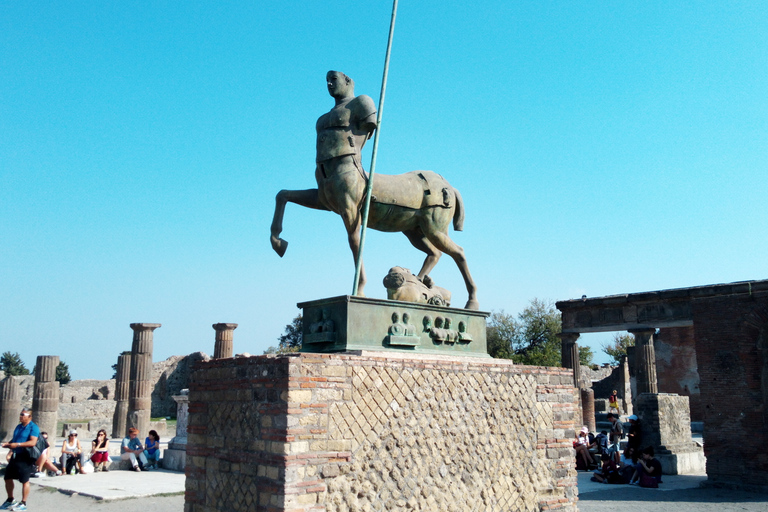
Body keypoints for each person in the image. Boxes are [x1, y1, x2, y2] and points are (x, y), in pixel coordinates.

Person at [1, 408, 39, 511]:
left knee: (24, 480)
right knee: (7, 478)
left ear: (29, 416)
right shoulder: (18, 426)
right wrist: (8, 444)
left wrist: (17, 444)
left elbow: (32, 442)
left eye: (23, 414)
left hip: (26, 457)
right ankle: (10, 499)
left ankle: (23, 503)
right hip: (15, 456)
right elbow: (15, 439)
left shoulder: (33, 427)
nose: (21, 416)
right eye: (20, 414)